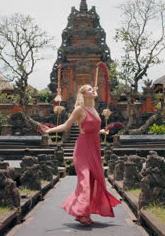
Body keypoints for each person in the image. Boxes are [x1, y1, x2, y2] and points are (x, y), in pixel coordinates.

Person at [39, 84, 121, 225]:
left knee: (95, 180)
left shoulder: (95, 110)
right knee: (84, 182)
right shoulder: (79, 110)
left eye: (92, 89)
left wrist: (101, 132)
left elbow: (92, 128)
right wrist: (49, 131)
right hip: (83, 149)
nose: (93, 90)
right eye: (89, 89)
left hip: (95, 148)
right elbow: (66, 125)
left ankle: (83, 212)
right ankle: (81, 212)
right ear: (83, 94)